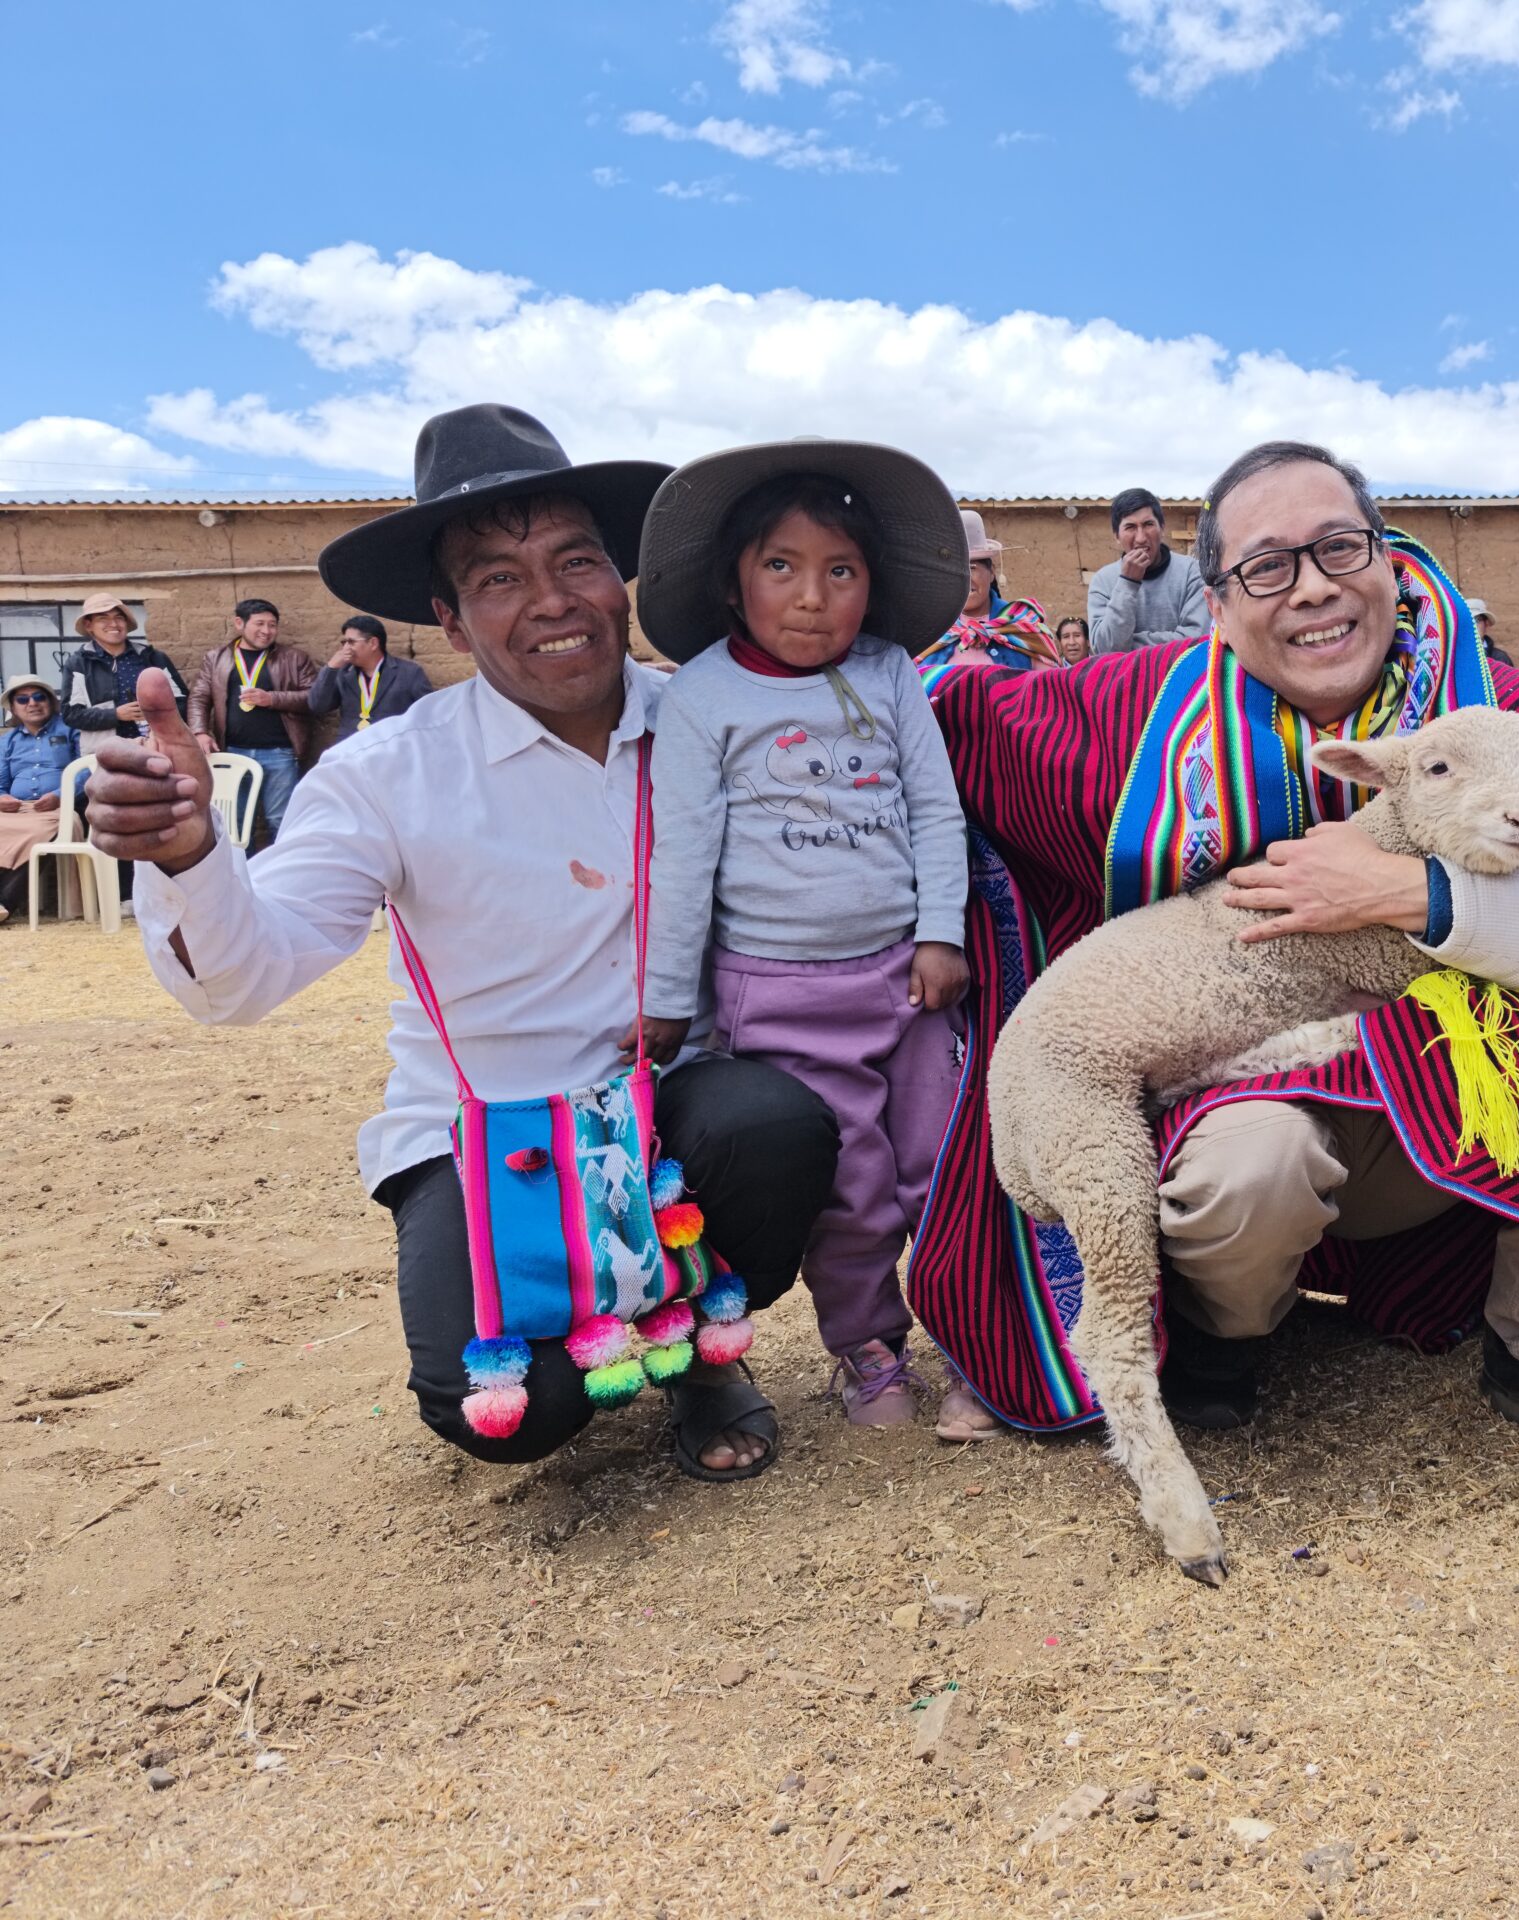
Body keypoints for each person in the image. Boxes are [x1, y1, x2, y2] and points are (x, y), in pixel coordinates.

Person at [916, 440, 1519, 1495]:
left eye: (1338, 548)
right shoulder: (1125, 727)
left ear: (1389, 561)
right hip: (1267, 1089)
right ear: (1216, 601)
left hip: (1463, 1110)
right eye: (1266, 566)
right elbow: (941, 728)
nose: (1310, 587)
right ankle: (1229, 1325)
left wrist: (1417, 895)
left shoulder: (1508, 712)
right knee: (1246, 1173)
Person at [83, 403, 837, 1478]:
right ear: (449, 615)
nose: (550, 602)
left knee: (778, 1125)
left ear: (617, 577)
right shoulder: (389, 773)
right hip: (487, 1138)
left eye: (576, 560)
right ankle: (589, 1330)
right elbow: (239, 983)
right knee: (505, 1413)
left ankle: (697, 1354)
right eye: (497, 578)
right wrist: (190, 854)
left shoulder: (708, 727)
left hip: (675, 1114)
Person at [634, 439, 972, 1429]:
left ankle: (970, 1335)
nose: (813, 596)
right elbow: (682, 861)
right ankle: (868, 1351)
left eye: (841, 570)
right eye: (781, 566)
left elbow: (933, 810)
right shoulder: (703, 697)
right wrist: (667, 1003)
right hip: (778, 997)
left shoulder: (890, 675)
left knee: (938, 1163)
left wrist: (939, 933)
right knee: (854, 1190)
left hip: (907, 986)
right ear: (734, 588)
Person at [184, 598, 320, 852]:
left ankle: (283, 880)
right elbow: (199, 697)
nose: (266, 631)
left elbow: (315, 698)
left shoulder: (294, 658)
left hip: (280, 753)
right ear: (239, 623)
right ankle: (239, 880)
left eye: (272, 625)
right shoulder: (216, 659)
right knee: (233, 823)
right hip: (233, 753)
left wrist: (271, 699)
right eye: (259, 623)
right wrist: (200, 732)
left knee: (281, 821)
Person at [918, 510, 1060, 671]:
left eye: (972, 568)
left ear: (992, 572)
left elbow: (1049, 688)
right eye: (955, 571)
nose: (964, 579)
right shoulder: (931, 634)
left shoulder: (1025, 627)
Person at [57, 593, 186, 761]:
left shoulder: (152, 657)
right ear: (89, 625)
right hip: (105, 754)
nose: (113, 624)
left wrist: (156, 716)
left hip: (157, 749)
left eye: (119, 617)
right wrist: (115, 714)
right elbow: (71, 714)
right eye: (103, 618)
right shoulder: (78, 664)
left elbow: (182, 700)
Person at [1084, 487, 1208, 655]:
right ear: (1116, 536)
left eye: (1148, 524)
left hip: (1180, 678)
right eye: (1130, 527)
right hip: (1127, 681)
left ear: (1162, 528)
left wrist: (1130, 645)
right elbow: (1105, 649)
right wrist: (1128, 584)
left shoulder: (1191, 571)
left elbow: (1197, 640)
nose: (1141, 538)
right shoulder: (1103, 581)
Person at [0, 674, 77, 923]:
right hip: (16, 811)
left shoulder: (70, 728)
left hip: (58, 810)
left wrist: (59, 796)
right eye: (22, 699)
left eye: (38, 696)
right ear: (13, 708)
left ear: (50, 701)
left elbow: (87, 770)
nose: (31, 703)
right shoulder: (7, 741)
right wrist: (1, 798)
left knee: (35, 834)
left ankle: (5, 904)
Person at [305, 614, 433, 749]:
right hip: (352, 751)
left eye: (351, 642)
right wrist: (331, 668)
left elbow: (428, 712)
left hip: (393, 749)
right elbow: (318, 705)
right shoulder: (343, 672)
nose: (346, 648)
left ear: (373, 643)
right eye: (344, 643)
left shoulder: (409, 672)